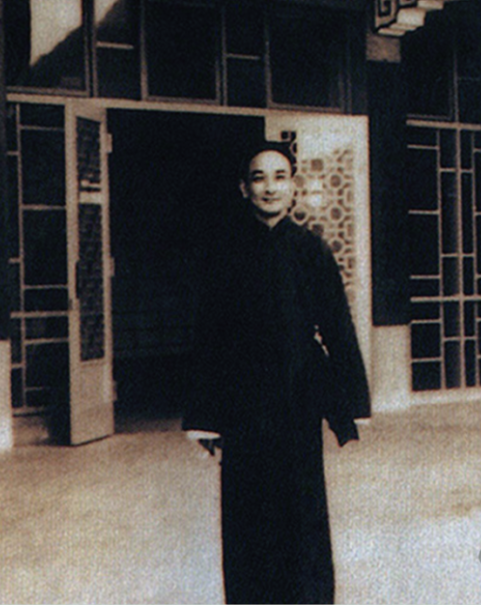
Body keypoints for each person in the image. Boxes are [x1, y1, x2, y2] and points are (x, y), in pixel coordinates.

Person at [183, 144, 370, 604]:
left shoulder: (311, 250)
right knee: (247, 516)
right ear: (243, 188)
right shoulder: (224, 251)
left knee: (302, 511)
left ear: (293, 186)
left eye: (280, 176)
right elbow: (208, 334)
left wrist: (351, 400)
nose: (270, 187)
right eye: (259, 177)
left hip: (297, 396)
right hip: (242, 401)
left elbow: (337, 326)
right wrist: (205, 415)